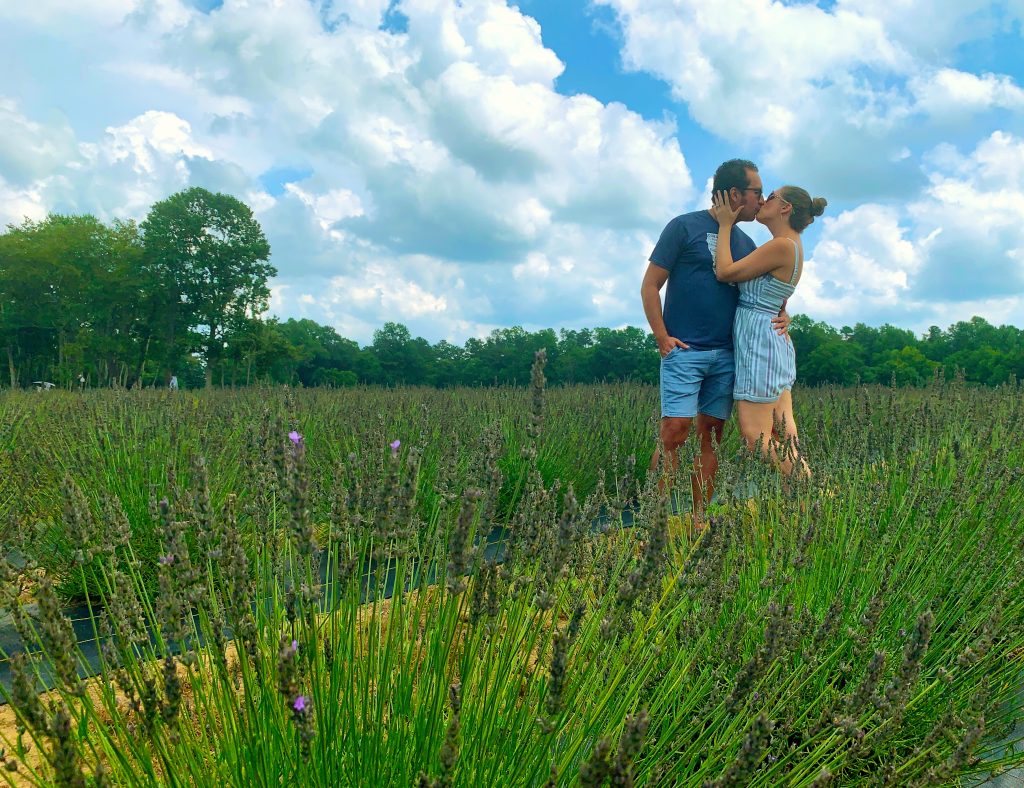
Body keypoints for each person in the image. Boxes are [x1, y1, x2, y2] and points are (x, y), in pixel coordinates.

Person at [641, 159, 789, 526]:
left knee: (713, 435)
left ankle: (698, 517)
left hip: (727, 354)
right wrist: (662, 337)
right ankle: (655, 520)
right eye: (756, 192)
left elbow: (768, 290)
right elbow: (650, 285)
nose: (760, 199)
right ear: (734, 194)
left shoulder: (745, 241)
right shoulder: (683, 227)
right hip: (685, 350)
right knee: (675, 430)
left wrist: (786, 314)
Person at [709, 185, 827, 477]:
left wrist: (725, 225)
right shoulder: (792, 245)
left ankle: (810, 489)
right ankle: (800, 502)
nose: (763, 201)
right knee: (785, 431)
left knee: (754, 436)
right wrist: (784, 312)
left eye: (771, 197)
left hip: (760, 343)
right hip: (773, 340)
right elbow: (777, 295)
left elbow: (724, 272)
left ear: (785, 208)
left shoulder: (783, 245)